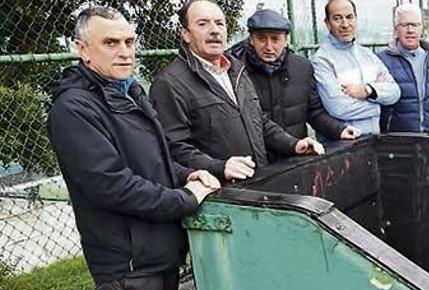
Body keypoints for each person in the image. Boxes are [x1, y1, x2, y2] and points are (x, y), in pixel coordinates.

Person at [47, 6, 220, 290]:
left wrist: (188, 173)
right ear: (82, 50)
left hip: (155, 247)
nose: (124, 52)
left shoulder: (128, 92)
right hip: (125, 257)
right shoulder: (76, 109)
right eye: (111, 43)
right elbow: (111, 184)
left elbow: (158, 160)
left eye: (128, 42)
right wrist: (185, 198)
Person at [150, 0, 323, 183]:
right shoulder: (169, 83)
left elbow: (259, 121)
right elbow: (174, 147)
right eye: (202, 24)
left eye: (219, 23)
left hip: (257, 182)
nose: (214, 30)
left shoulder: (236, 70)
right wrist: (219, 167)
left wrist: (294, 144)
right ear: (185, 33)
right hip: (220, 196)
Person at [227, 9, 361, 152]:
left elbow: (314, 112)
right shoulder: (237, 73)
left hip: (296, 156)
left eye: (275, 39)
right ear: (251, 40)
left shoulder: (302, 68)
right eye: (262, 39)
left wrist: (339, 130)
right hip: (258, 160)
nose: (269, 47)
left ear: (286, 41)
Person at [311, 0, 400, 138]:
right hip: (340, 146)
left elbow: (395, 92)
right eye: (337, 18)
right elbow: (339, 108)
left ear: (356, 19)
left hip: (373, 141)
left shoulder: (368, 55)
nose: (345, 24)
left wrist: (368, 91)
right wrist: (380, 106)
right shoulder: (322, 60)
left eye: (349, 17)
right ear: (327, 23)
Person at [377, 4, 429, 135]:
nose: (410, 30)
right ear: (396, 29)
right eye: (405, 25)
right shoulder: (381, 61)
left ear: (421, 28)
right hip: (396, 143)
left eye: (415, 25)